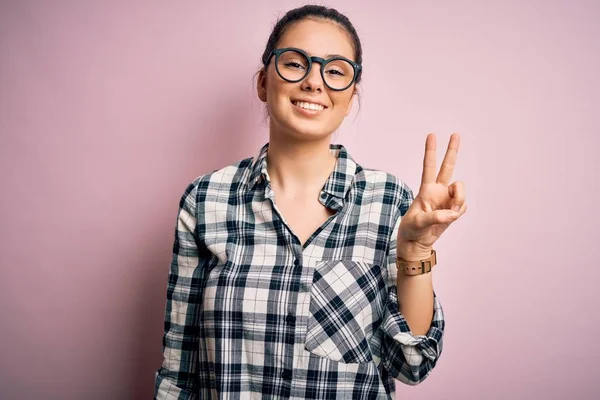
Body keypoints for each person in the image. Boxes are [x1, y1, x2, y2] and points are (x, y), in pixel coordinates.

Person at [154, 4, 466, 399]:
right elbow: (177, 372)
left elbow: (413, 364)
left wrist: (416, 249)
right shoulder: (206, 200)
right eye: (295, 63)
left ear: (352, 95)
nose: (314, 82)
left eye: (335, 71)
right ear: (264, 82)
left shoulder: (390, 202)